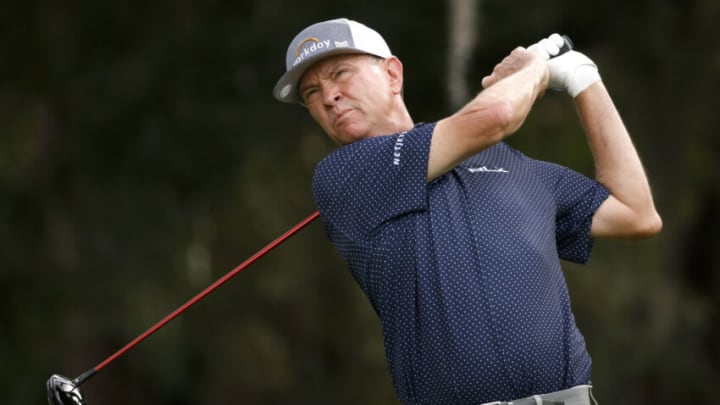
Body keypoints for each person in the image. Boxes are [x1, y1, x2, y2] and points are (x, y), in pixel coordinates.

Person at [273, 18, 662, 405]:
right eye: (311, 92)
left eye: (340, 74)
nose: (329, 96)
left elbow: (636, 213)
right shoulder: (345, 175)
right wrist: (536, 71)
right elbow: (494, 117)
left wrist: (583, 80)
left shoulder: (507, 162)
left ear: (392, 74)